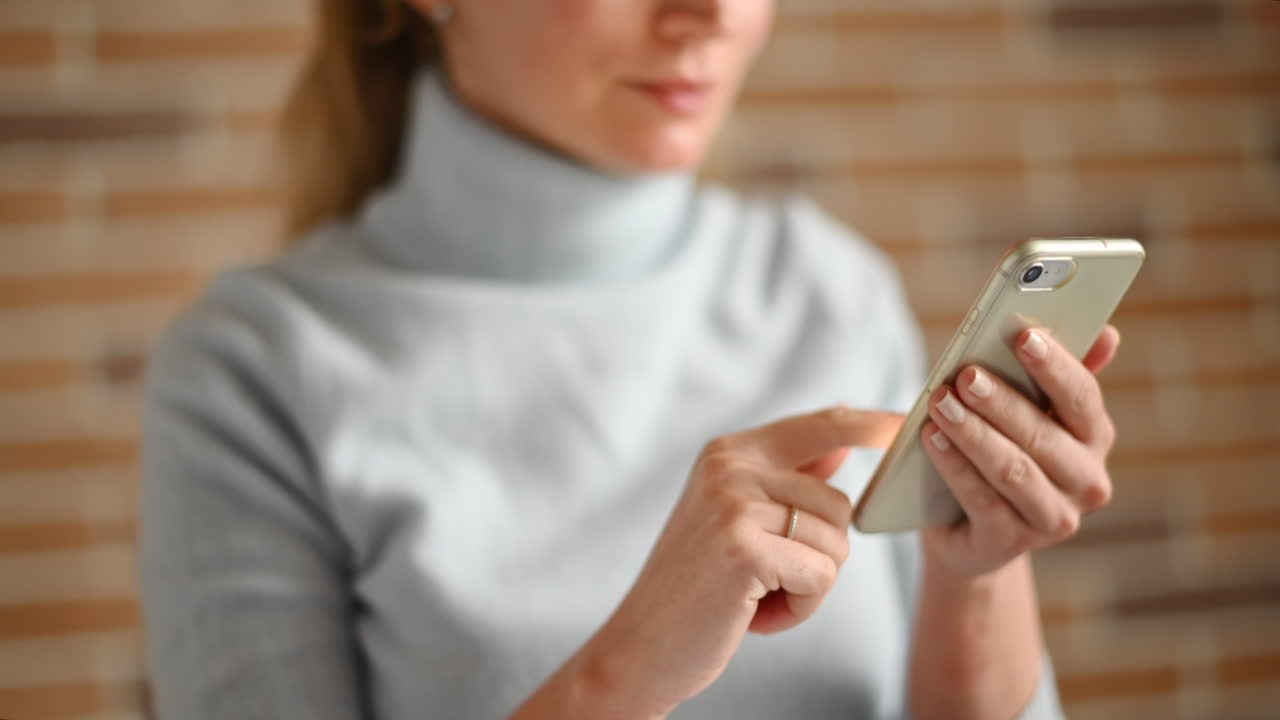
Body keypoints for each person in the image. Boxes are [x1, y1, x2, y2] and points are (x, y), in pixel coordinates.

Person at [140, 1, 1121, 718]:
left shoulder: (827, 284)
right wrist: (626, 673)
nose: (711, 15)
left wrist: (976, 569)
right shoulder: (247, 374)